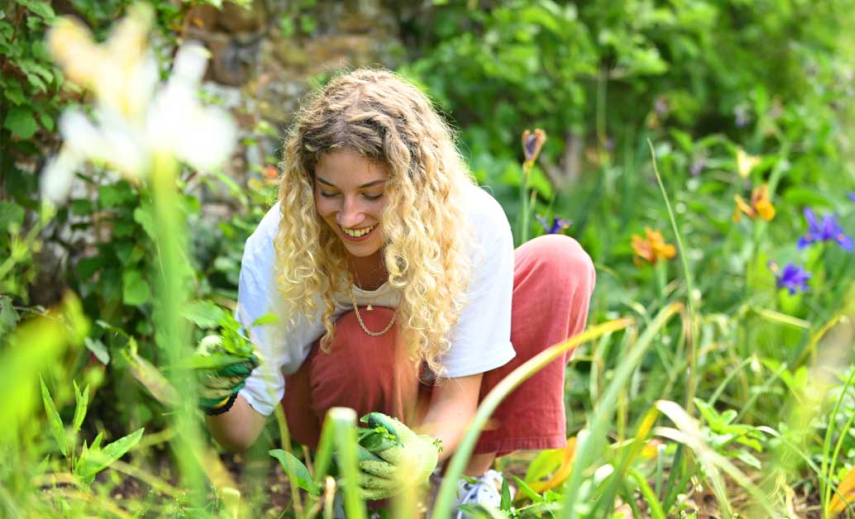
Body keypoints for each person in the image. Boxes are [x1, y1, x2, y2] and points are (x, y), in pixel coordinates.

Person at [197, 68, 596, 514]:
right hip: (332, 404)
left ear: (415, 185)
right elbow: (241, 432)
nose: (350, 217)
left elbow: (459, 393)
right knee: (367, 338)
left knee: (560, 264)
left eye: (372, 194)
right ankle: (359, 493)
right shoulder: (278, 242)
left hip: (443, 400)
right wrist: (216, 395)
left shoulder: (473, 223)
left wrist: (422, 451)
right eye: (330, 193)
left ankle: (466, 489)